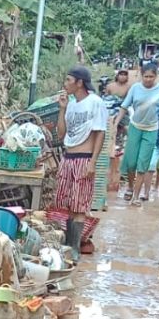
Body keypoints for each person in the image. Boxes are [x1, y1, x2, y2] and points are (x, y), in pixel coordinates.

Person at [55, 67, 109, 261]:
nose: (65, 83)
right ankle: (69, 247)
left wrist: (92, 162)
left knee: (79, 206)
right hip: (68, 157)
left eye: (68, 80)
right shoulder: (70, 104)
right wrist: (62, 109)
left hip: (84, 157)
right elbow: (61, 134)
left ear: (79, 83)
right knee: (68, 204)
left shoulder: (95, 103)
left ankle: (74, 248)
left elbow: (100, 133)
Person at [117, 62, 159, 204]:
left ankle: (136, 196)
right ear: (141, 76)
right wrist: (115, 123)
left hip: (151, 129)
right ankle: (130, 187)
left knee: (143, 164)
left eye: (151, 76)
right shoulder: (135, 88)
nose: (148, 79)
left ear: (156, 76)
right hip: (135, 127)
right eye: (146, 76)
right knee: (131, 162)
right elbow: (124, 106)